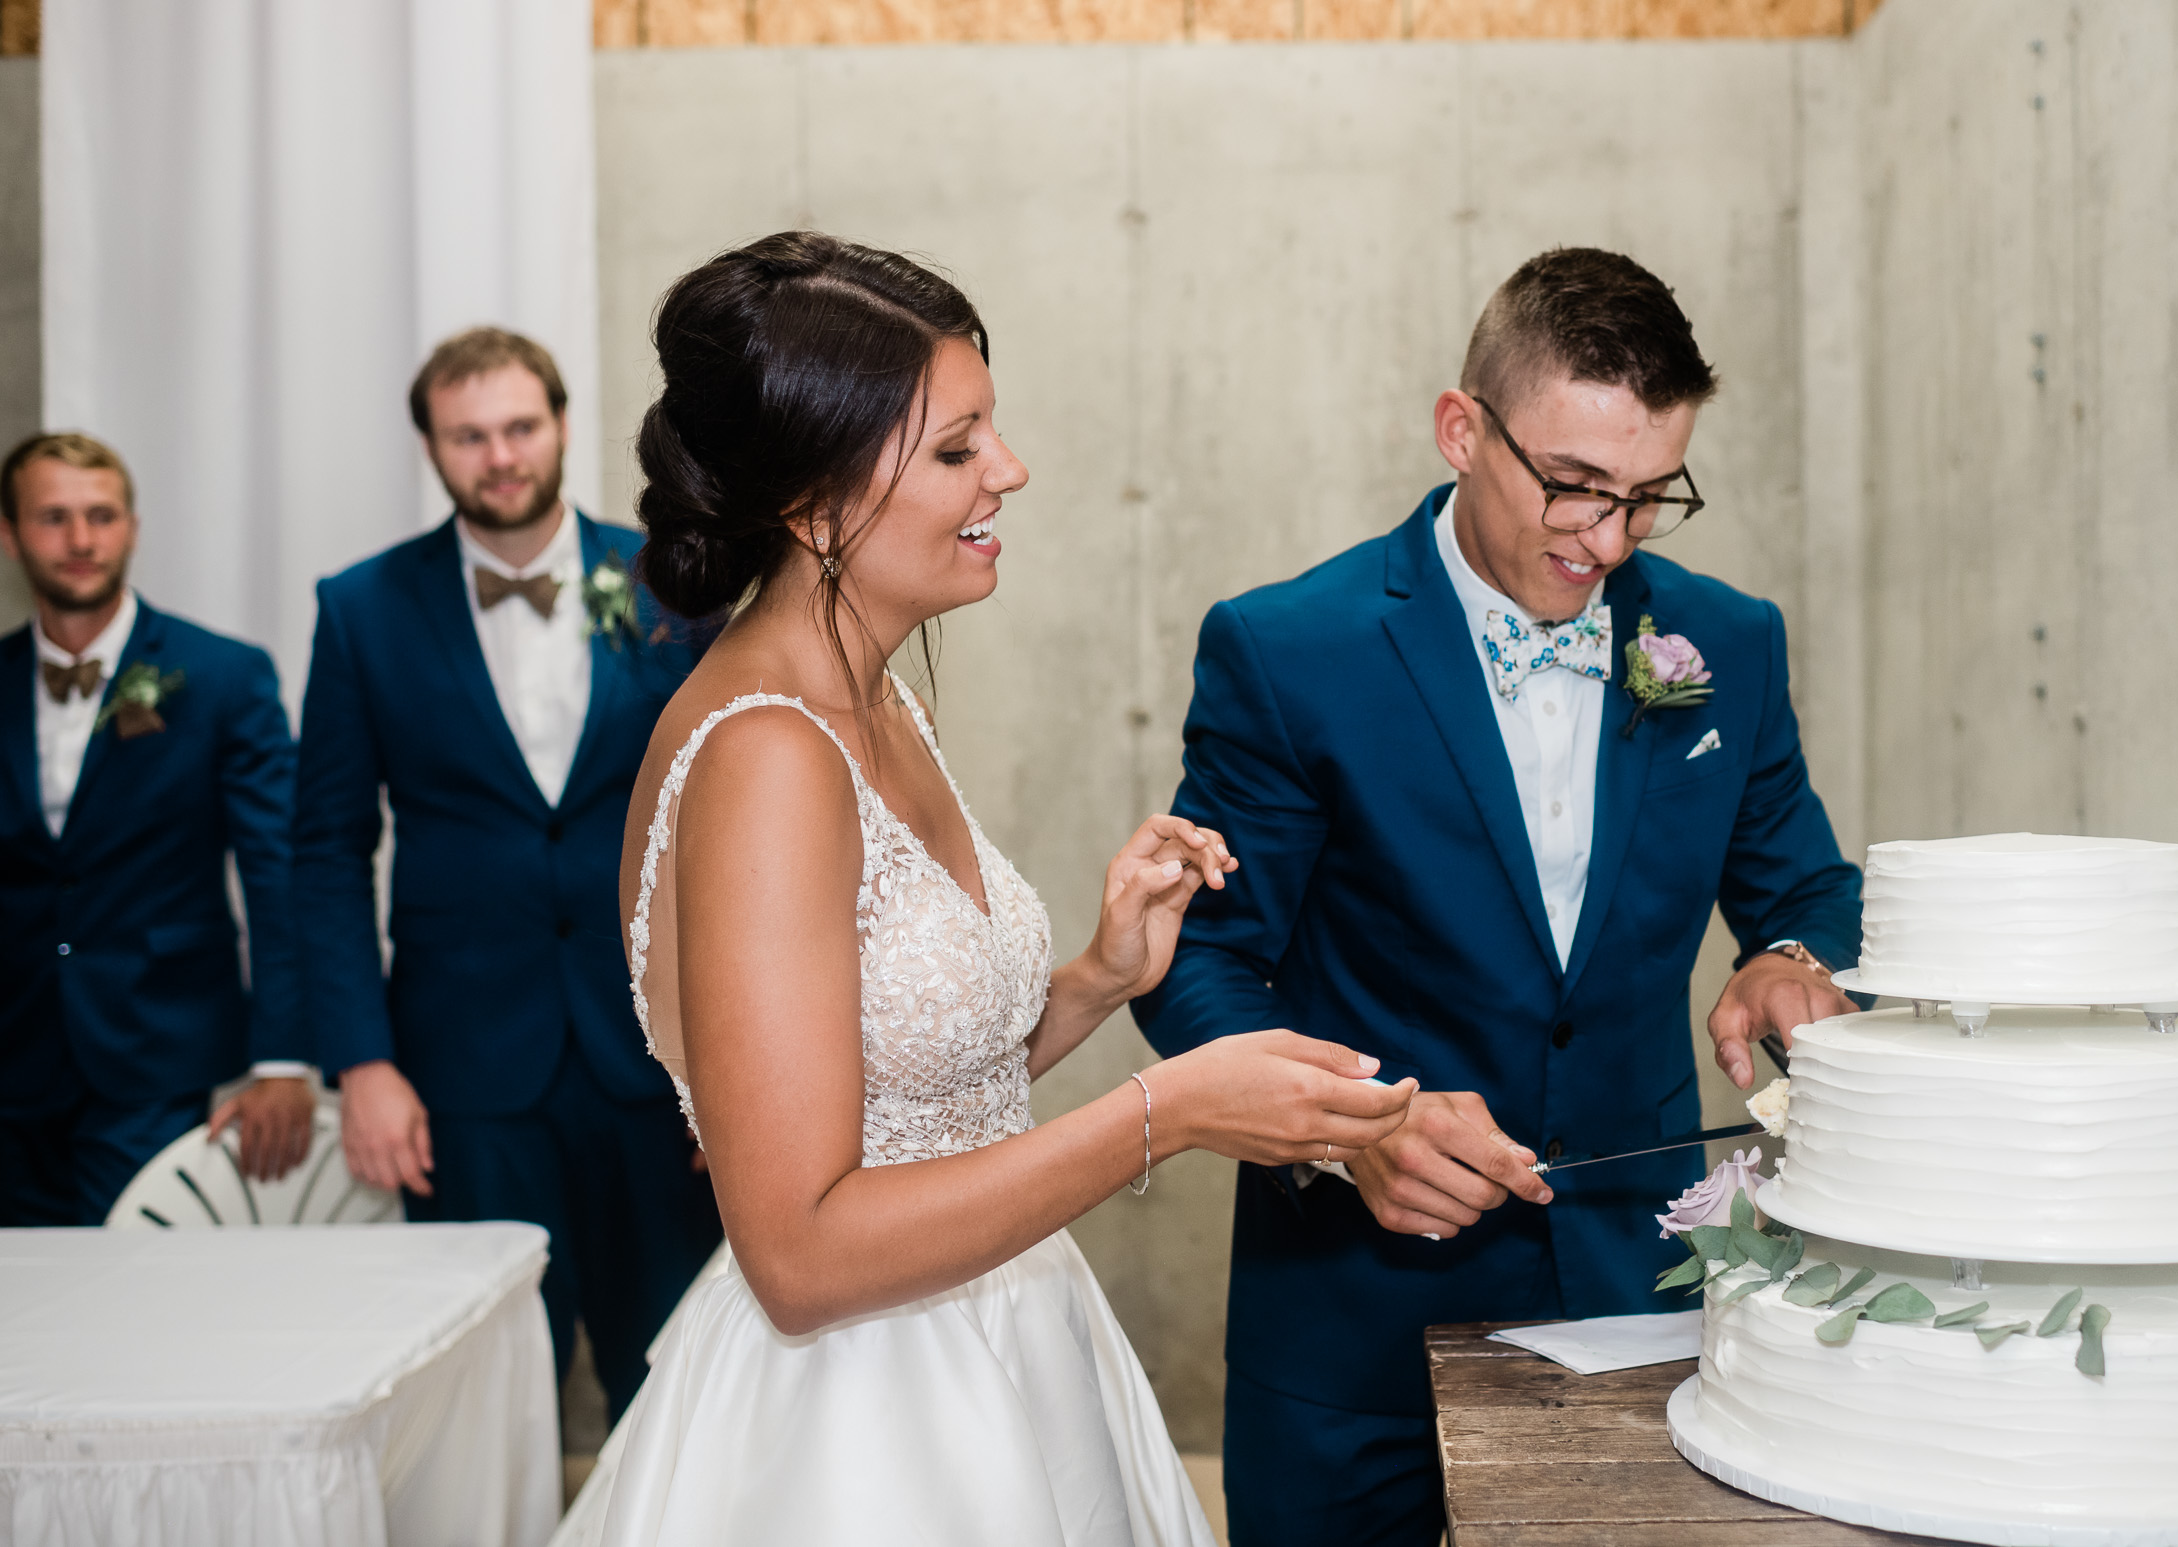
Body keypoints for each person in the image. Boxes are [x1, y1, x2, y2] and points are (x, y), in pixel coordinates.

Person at [572, 232, 1412, 1546]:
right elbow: (800, 1252)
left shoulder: (875, 693)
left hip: (1005, 1329)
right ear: (815, 503)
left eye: (992, 432)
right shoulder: (766, 755)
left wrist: (1100, 973)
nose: (1007, 471)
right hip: (862, 1424)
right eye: (958, 448)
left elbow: (905, 1082)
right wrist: (1170, 1107)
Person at [1130, 248, 1867, 1546]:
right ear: (1462, 429)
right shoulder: (1290, 650)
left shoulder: (1723, 643)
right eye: (1576, 488)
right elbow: (1203, 962)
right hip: (1356, 1329)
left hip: (1638, 1304)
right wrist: (1346, 1124)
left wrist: (1792, 952)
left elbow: (1801, 881)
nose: (1607, 540)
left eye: (1650, 498)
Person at [295, 328, 721, 1420]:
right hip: (461, 1072)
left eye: (520, 426)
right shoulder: (362, 609)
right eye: (469, 435)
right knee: (481, 1398)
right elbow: (326, 848)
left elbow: (731, 827)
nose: (499, 455)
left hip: (657, 1055)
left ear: (564, 424)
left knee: (682, 1374)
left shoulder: (675, 576)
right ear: (433, 449)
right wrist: (362, 1063)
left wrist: (727, 1050)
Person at [0, 431, 311, 1226]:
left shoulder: (222, 676)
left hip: (156, 1058)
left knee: (136, 1300)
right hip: (13, 1061)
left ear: (132, 527)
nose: (80, 540)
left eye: (101, 515)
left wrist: (282, 1057)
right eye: (54, 517)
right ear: (10, 533)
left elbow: (275, 869)